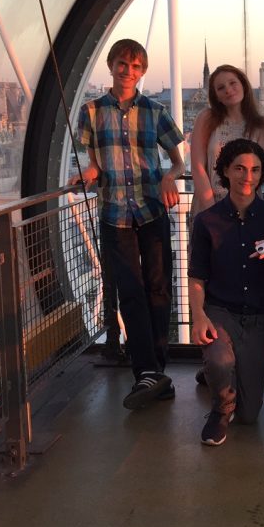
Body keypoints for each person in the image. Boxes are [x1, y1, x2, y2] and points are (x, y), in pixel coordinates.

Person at [75, 38, 186, 410]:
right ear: (111, 66)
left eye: (136, 67)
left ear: (142, 71)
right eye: (123, 64)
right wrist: (91, 171)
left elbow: (177, 160)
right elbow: (91, 159)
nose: (128, 72)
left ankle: (154, 371)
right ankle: (148, 373)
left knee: (157, 289)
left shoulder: (155, 112)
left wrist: (172, 176)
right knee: (132, 294)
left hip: (152, 209)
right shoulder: (90, 112)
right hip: (115, 215)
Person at [189, 139, 264, 446]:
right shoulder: (207, 221)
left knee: (250, 415)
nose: (248, 176)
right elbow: (197, 276)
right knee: (220, 360)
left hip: (258, 319)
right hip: (221, 312)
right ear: (226, 171)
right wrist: (199, 316)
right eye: (240, 168)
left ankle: (218, 375)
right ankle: (220, 403)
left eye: (255, 170)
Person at [190, 65, 264, 214]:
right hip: (210, 204)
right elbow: (197, 167)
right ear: (216, 96)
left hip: (247, 207)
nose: (228, 89)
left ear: (243, 85)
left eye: (233, 83)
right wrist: (212, 212)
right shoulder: (207, 118)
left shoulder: (261, 125)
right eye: (220, 88)